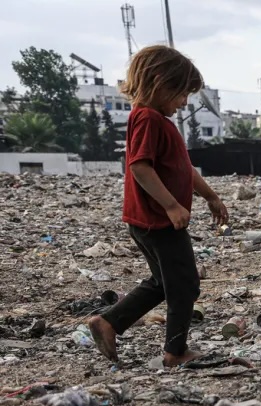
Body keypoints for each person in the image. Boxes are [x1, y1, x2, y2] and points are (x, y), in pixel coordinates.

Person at [87, 45, 228, 367]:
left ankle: (109, 322)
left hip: (150, 221)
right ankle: (175, 352)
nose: (185, 102)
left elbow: (184, 168)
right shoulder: (149, 119)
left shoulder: (156, 120)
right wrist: (171, 207)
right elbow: (140, 167)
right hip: (158, 222)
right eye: (182, 94)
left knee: (164, 282)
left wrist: (210, 196)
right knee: (185, 284)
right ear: (160, 83)